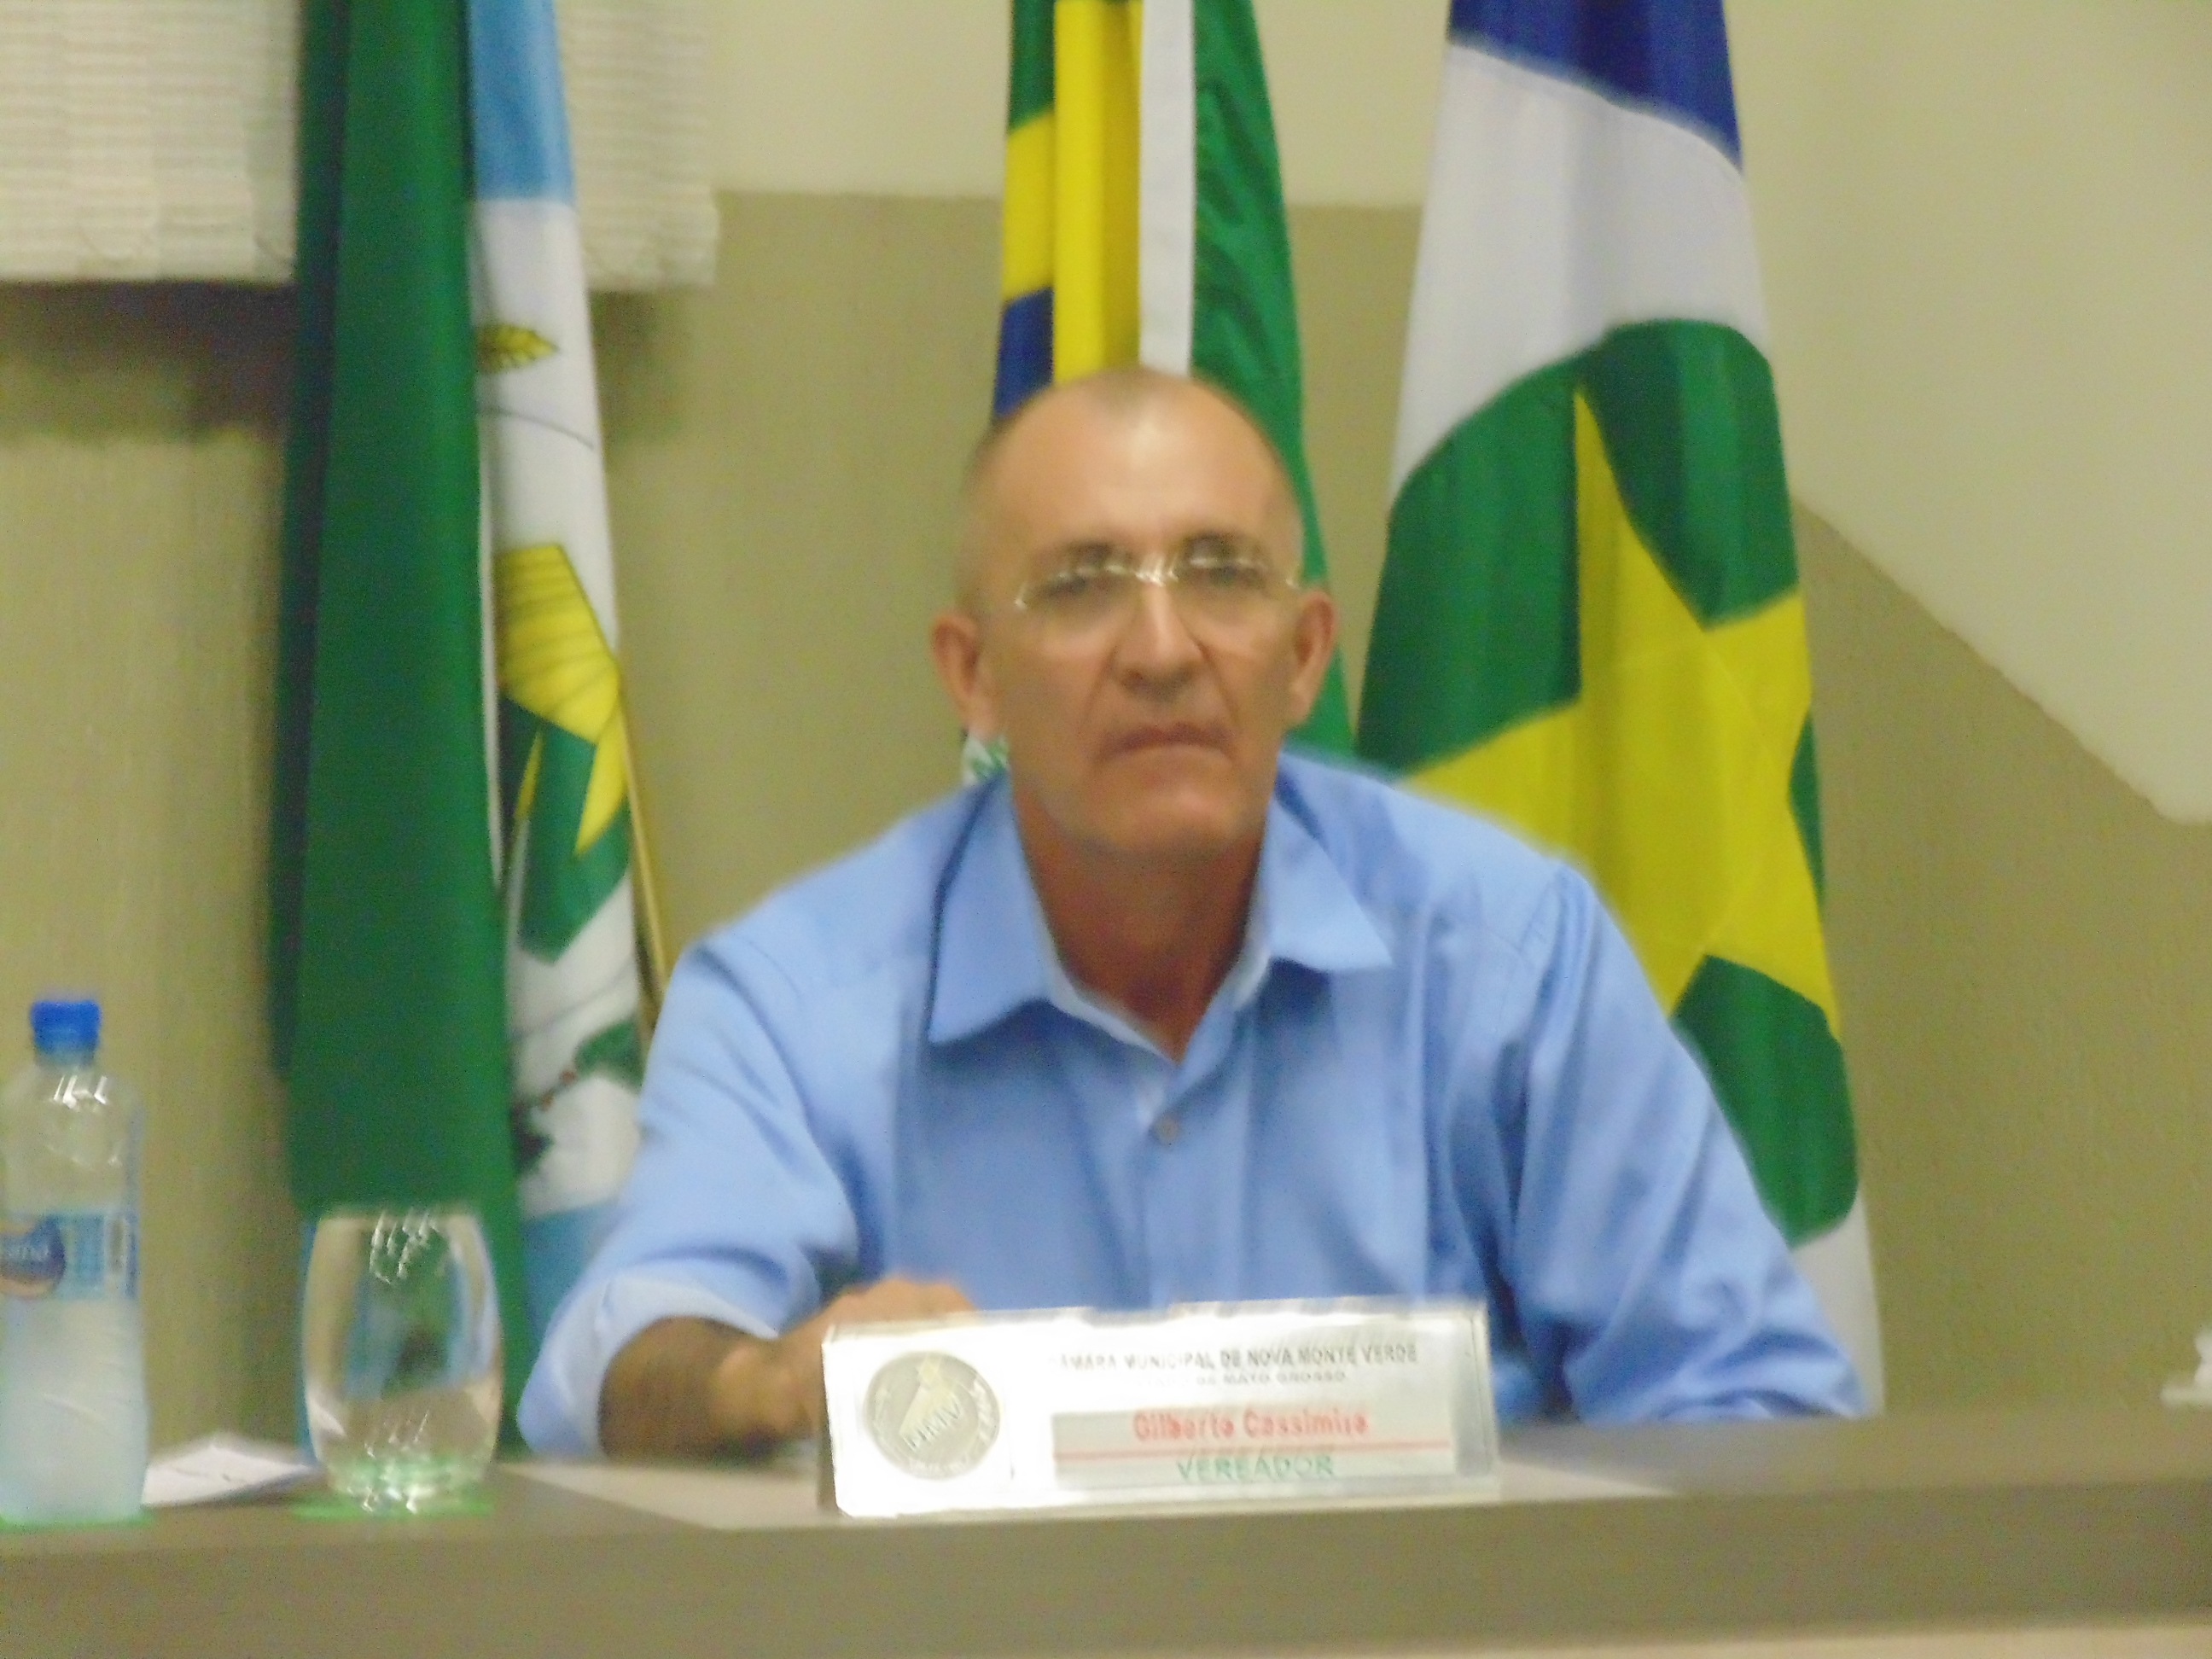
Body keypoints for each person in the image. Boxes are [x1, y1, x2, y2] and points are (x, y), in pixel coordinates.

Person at [518, 368, 1860, 1458]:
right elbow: (624, 1359)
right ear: (973, 677)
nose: (1163, 654)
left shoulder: (1507, 954)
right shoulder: (797, 999)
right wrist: (767, 1378)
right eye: (1081, 585)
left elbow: (1757, 1409)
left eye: (1221, 574)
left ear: (1305, 654)